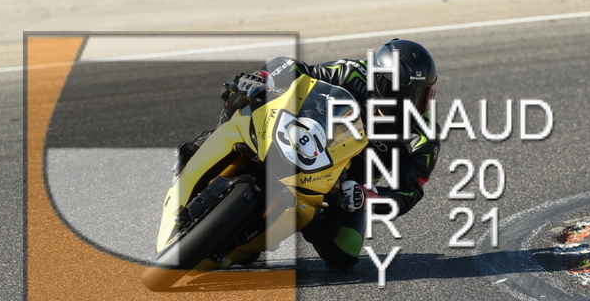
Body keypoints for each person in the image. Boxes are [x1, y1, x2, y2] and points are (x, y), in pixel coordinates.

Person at [174, 39, 440, 269]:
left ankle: (308, 219)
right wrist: (263, 78)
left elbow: (409, 192)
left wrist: (366, 196)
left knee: (344, 254)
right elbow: (294, 68)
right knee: (246, 94)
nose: (411, 104)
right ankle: (200, 146)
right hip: (305, 136)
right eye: (402, 93)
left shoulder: (423, 136)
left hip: (343, 187)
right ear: (378, 80)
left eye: (421, 95)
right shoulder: (354, 73)